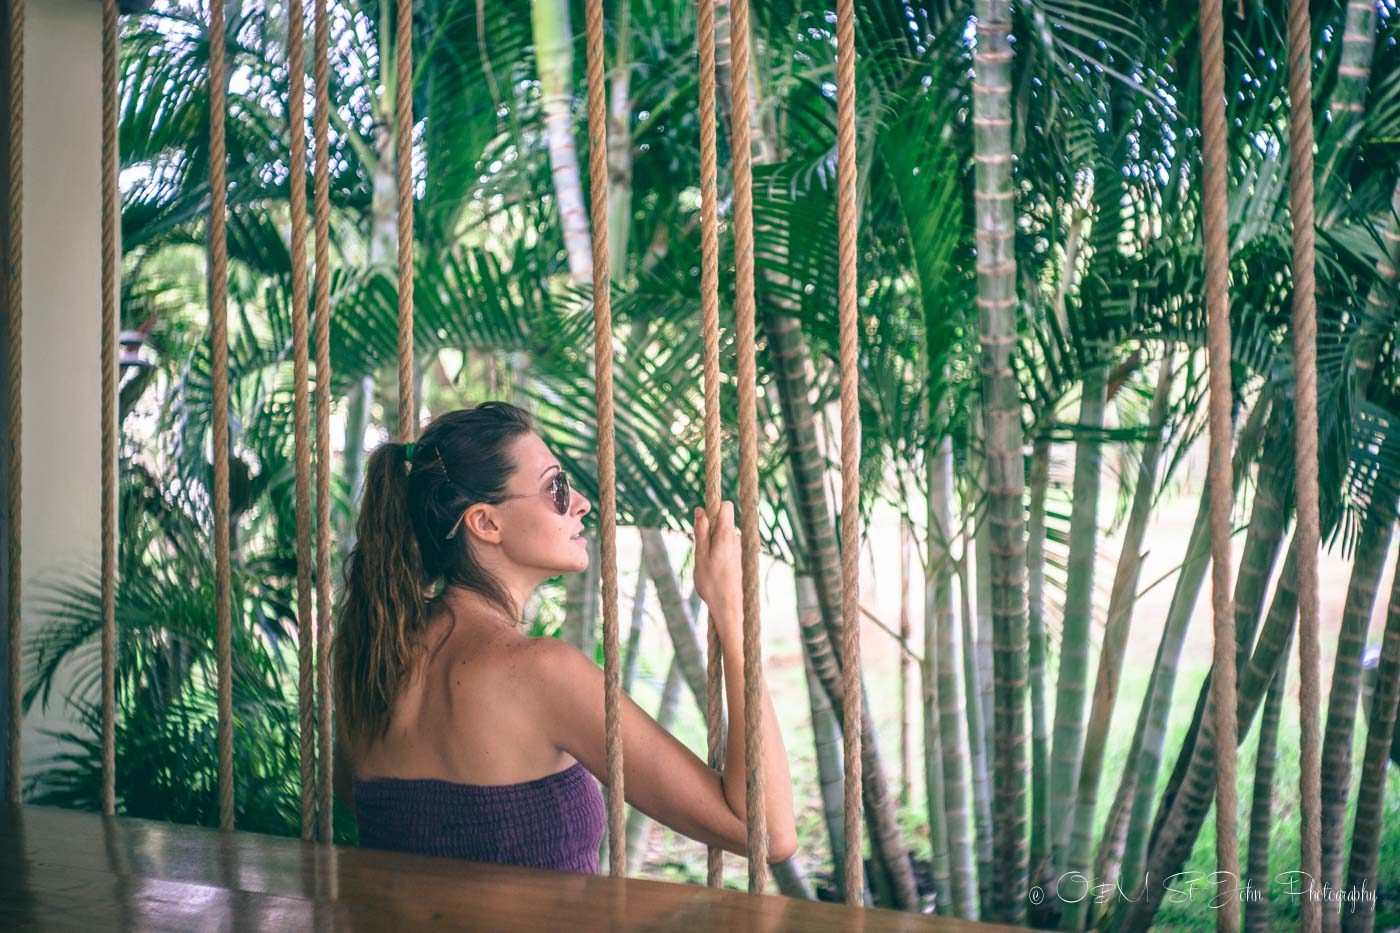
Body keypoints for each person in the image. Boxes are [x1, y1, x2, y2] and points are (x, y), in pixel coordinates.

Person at [332, 402, 797, 875]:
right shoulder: (540, 673)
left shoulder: (372, 653)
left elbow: (358, 797)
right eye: (555, 487)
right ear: (485, 523)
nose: (580, 503)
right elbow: (767, 832)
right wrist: (732, 610)